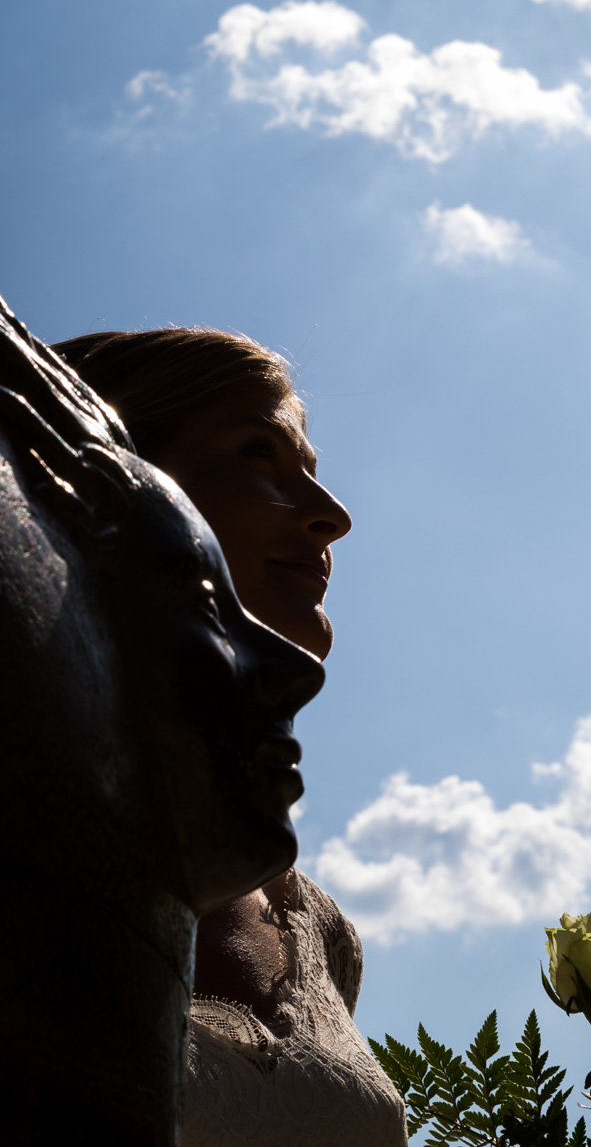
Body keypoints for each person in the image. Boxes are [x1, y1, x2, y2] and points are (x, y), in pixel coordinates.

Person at [52, 327, 408, 1147]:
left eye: (312, 474)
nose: (334, 517)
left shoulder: (318, 931)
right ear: (121, 483)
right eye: (259, 455)